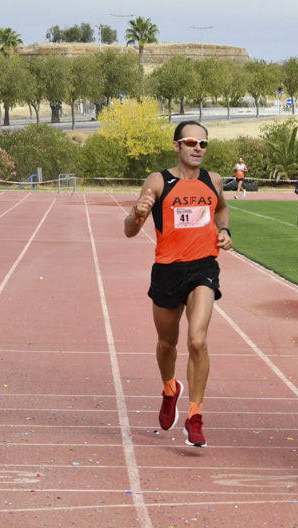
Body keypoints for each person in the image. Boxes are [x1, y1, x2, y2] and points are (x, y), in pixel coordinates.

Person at [124, 120, 232, 448]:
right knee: (166, 344)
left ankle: (195, 416)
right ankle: (170, 388)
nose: (198, 148)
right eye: (190, 142)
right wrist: (138, 213)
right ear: (177, 146)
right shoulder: (159, 181)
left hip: (203, 268)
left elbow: (222, 209)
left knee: (197, 341)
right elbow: (129, 230)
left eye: (203, 143)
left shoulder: (213, 181)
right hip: (168, 270)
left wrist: (225, 231)